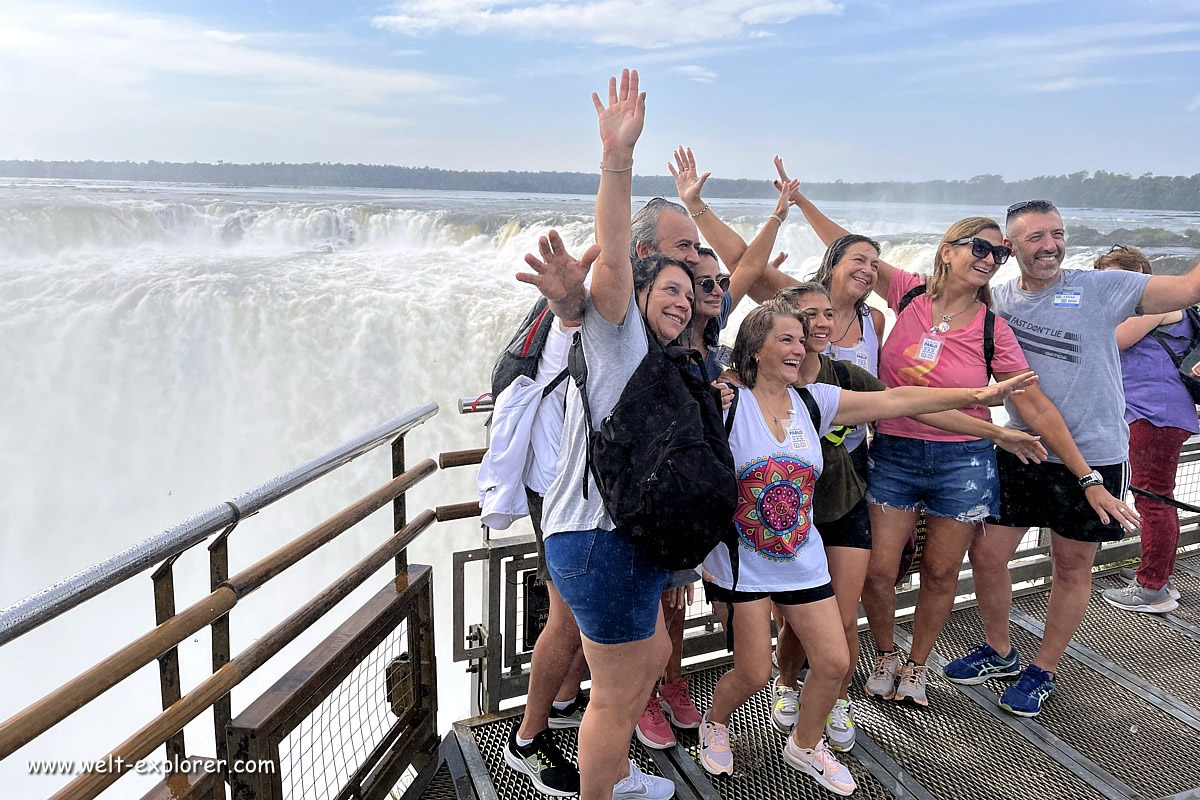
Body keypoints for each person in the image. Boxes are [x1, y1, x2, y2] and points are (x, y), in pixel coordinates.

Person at [696, 298, 1038, 795]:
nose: (798, 347)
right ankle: (716, 721)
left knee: (834, 664)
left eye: (801, 338)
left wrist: (985, 394)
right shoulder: (726, 402)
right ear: (755, 346)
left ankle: (805, 745)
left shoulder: (815, 401)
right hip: (741, 563)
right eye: (785, 339)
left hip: (803, 559)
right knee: (750, 674)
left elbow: (901, 400)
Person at [948, 199, 1200, 717]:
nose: (1050, 245)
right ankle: (999, 649)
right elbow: (916, 291)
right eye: (1036, 236)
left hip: (1095, 456)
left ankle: (1045, 668)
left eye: (1057, 233)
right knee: (988, 555)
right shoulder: (995, 299)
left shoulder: (1100, 287)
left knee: (1071, 566)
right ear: (1009, 248)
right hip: (1024, 445)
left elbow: (1189, 290)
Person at [769, 281, 1046, 749]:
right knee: (797, 610)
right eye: (804, 318)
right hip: (787, 513)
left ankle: (837, 699)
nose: (818, 324)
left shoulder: (845, 378)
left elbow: (909, 403)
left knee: (839, 611)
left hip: (843, 503)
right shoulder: (760, 380)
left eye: (826, 314)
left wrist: (989, 421)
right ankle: (787, 683)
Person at [520, 68, 680, 800]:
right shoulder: (618, 333)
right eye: (668, 282)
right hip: (600, 537)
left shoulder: (669, 351)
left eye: (692, 285)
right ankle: (602, 787)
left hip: (627, 535)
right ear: (638, 288)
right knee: (616, 695)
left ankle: (611, 776)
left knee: (647, 658)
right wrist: (618, 159)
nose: (682, 294)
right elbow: (613, 254)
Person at [493, 232, 594, 798]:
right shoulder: (573, 320)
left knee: (578, 616)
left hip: (582, 488)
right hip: (558, 489)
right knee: (568, 617)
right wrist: (568, 300)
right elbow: (568, 321)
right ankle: (527, 740)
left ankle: (560, 702)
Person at [1095, 245, 1193, 613]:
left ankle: (1152, 587)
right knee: (1154, 497)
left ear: (1138, 275)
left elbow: (1113, 340)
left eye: (1115, 278)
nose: (1108, 287)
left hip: (1155, 414)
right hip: (1151, 412)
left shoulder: (1155, 303)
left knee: (1154, 499)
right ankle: (1158, 578)